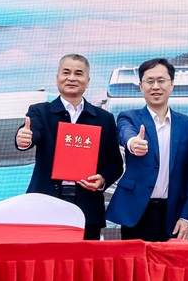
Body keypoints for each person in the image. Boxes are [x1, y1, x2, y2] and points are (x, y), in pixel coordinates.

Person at [15, 53, 123, 240]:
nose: (72, 78)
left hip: (87, 207)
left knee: (85, 258)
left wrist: (102, 179)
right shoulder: (40, 111)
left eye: (78, 73)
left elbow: (115, 163)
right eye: (66, 72)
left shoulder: (103, 118)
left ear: (87, 81)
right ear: (57, 77)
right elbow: (32, 132)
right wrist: (23, 139)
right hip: (45, 204)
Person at [106, 58, 188, 241]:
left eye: (161, 80)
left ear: (172, 85)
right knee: (135, 260)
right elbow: (125, 132)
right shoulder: (129, 117)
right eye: (149, 81)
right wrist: (132, 142)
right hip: (136, 211)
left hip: (173, 212)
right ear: (141, 86)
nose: (155, 86)